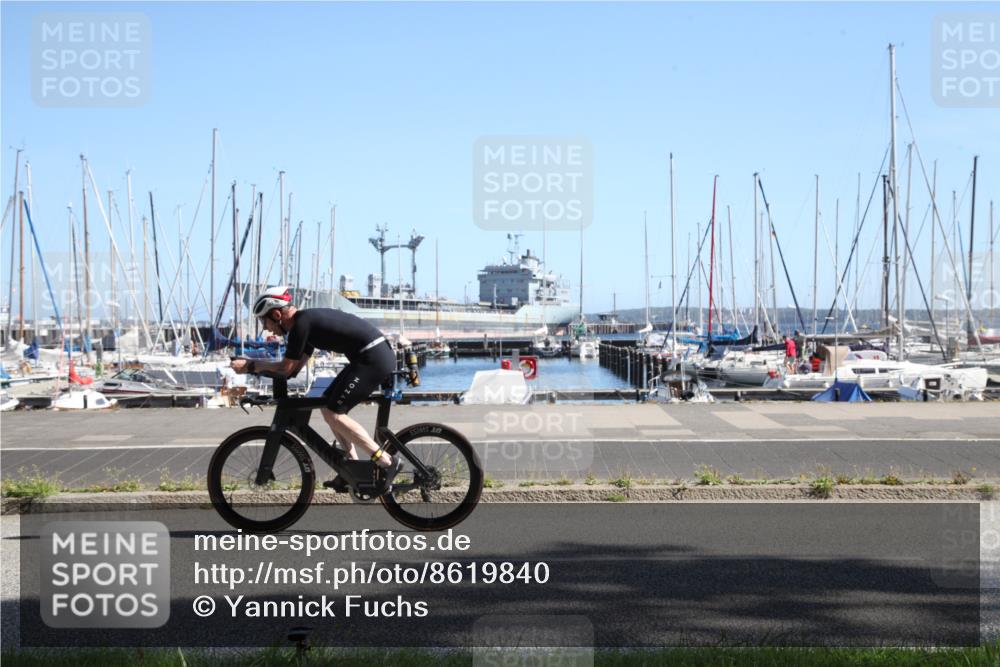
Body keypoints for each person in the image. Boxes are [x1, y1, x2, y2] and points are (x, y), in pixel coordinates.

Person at [230, 286, 401, 488]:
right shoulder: (304, 325)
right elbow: (292, 369)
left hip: (372, 358)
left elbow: (285, 368)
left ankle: (386, 462)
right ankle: (350, 469)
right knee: (326, 405)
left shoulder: (301, 325)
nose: (266, 328)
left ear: (276, 314)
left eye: (264, 321)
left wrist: (251, 365)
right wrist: (261, 369)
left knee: (334, 413)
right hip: (368, 356)